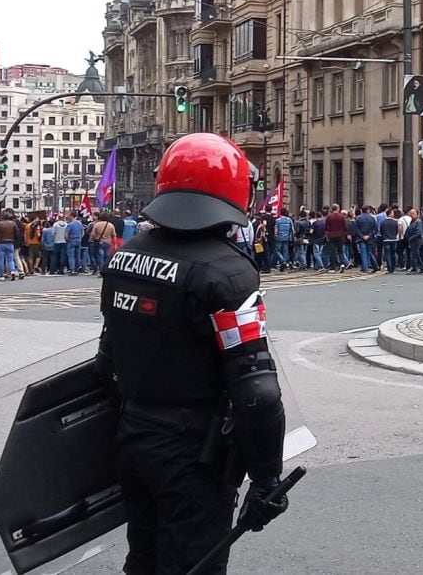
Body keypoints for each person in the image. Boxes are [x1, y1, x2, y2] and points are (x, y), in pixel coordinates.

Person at [95, 133, 287, 574]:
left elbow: (108, 360)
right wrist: (265, 478)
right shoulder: (227, 273)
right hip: (192, 455)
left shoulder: (125, 258)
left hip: (133, 438)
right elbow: (257, 390)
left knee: (143, 558)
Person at [0, 210, 20, 281]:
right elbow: (17, 234)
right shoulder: (13, 223)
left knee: (1, 259)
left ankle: (1, 275)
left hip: (1, 243)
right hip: (10, 243)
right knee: (10, 259)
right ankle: (12, 271)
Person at [324, 203, 349, 273]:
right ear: (338, 208)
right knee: (340, 251)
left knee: (332, 252)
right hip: (340, 235)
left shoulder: (329, 216)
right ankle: (342, 264)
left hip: (331, 235)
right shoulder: (342, 216)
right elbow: (345, 227)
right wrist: (345, 234)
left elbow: (326, 227)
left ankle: (332, 267)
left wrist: (327, 234)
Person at [354, 206, 379, 273]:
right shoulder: (372, 218)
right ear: (368, 210)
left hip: (361, 238)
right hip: (370, 238)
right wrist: (369, 235)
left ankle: (365, 268)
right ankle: (368, 266)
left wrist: (362, 236)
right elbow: (375, 229)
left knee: (363, 253)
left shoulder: (358, 218)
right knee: (368, 252)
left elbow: (356, 229)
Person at [405, 207, 423, 274]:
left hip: (417, 240)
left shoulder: (418, 222)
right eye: (411, 213)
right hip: (413, 240)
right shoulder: (413, 222)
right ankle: (416, 268)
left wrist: (411, 238)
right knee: (414, 254)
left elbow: (419, 232)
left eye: (413, 213)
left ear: (417, 214)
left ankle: (419, 268)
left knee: (416, 254)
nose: (412, 215)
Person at [380, 208, 400, 273]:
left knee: (387, 254)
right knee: (393, 254)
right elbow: (397, 231)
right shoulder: (395, 222)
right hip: (393, 239)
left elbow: (381, 231)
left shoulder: (383, 222)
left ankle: (389, 268)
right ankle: (393, 268)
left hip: (386, 240)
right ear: (390, 214)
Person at [65, 211, 85, 275]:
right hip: (78, 241)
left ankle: (72, 269)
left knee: (71, 256)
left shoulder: (69, 224)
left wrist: (67, 240)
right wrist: (80, 238)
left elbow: (66, 234)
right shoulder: (80, 223)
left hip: (71, 240)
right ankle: (77, 269)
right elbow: (83, 233)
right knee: (77, 256)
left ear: (71, 216)